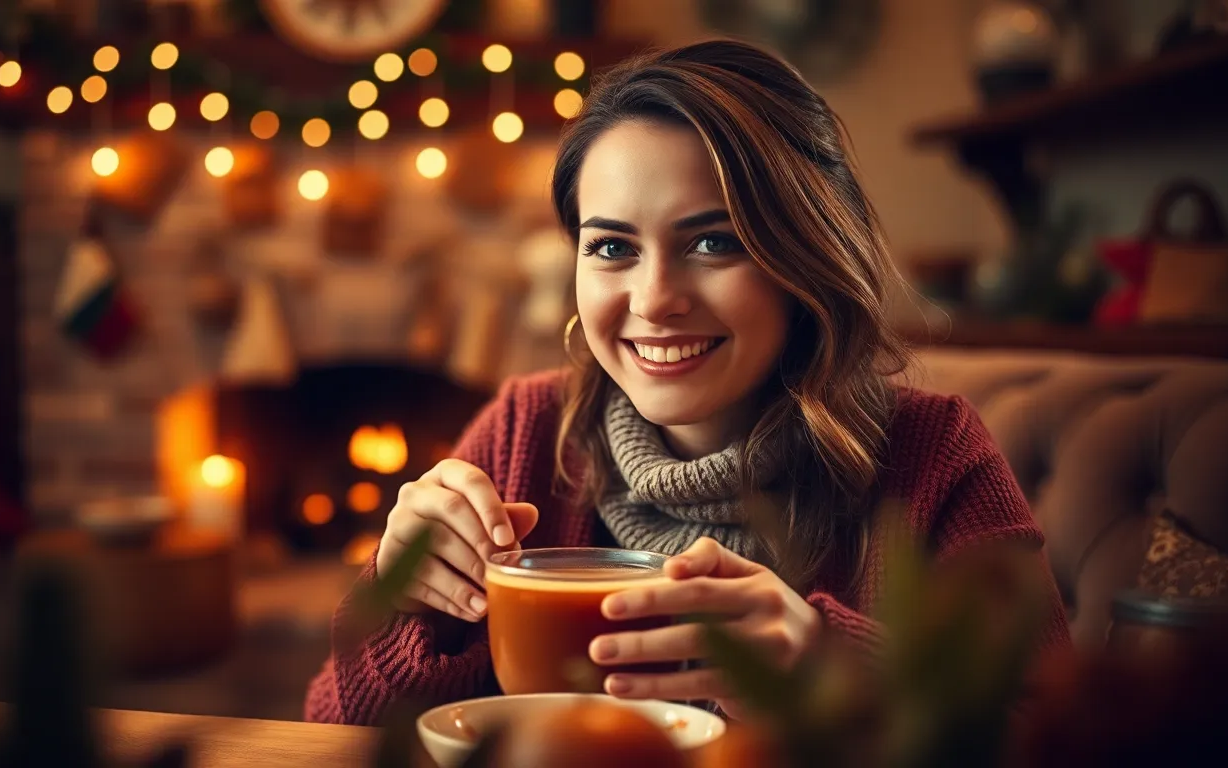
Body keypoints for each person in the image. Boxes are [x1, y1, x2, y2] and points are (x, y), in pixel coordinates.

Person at [305, 39, 1070, 726]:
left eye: (712, 241)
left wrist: (830, 665)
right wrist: (406, 596)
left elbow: (1064, 735)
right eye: (611, 247)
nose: (653, 300)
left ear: (802, 260)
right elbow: (333, 728)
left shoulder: (932, 452)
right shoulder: (524, 429)